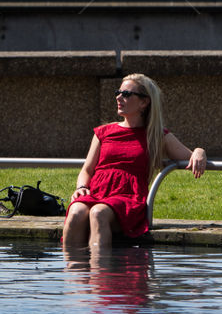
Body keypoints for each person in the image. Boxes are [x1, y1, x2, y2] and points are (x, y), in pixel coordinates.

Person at [62, 73, 206, 250]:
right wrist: (81, 188)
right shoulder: (103, 132)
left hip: (128, 198)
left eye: (126, 94)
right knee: (76, 212)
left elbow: (190, 157)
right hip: (97, 192)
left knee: (99, 213)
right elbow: (87, 169)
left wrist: (200, 151)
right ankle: (74, 274)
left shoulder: (156, 134)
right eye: (118, 92)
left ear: (144, 102)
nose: (119, 97)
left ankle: (101, 274)